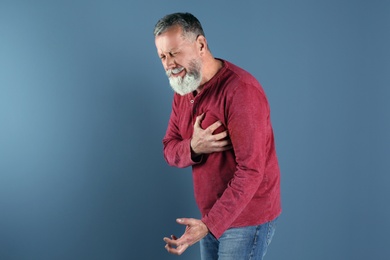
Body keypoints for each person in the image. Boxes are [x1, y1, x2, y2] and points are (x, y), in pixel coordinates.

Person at [153, 12, 281, 259]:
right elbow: (169, 149)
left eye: (175, 53)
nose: (169, 64)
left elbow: (252, 171)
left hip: (246, 218)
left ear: (201, 45)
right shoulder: (183, 90)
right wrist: (193, 147)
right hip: (210, 216)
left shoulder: (240, 91)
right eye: (162, 56)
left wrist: (210, 224)